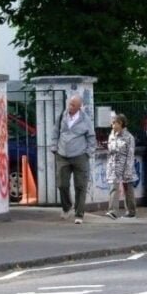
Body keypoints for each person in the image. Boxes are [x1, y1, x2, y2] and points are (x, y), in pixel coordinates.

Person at [52, 93, 96, 224]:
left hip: (80, 156)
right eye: (69, 103)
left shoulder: (85, 119)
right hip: (62, 155)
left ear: (79, 106)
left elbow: (91, 137)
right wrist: (54, 146)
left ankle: (79, 214)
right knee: (62, 184)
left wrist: (88, 152)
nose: (70, 106)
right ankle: (66, 207)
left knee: (80, 186)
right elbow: (55, 132)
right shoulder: (62, 116)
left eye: (73, 105)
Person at [104, 114, 137, 219]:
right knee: (114, 188)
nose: (112, 125)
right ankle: (113, 211)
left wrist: (128, 170)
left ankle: (131, 211)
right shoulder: (112, 136)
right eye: (112, 123)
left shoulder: (129, 137)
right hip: (114, 167)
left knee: (128, 189)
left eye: (115, 123)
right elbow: (110, 150)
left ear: (121, 123)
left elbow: (130, 155)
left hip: (125, 166)